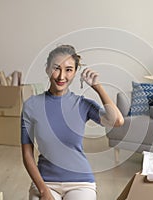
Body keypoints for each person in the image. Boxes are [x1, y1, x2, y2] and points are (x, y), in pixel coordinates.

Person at [21, 44, 124, 200]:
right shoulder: (31, 105)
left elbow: (117, 121)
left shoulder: (83, 105)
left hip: (80, 182)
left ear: (75, 72)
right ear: (47, 69)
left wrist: (97, 87)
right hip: (45, 182)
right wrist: (43, 192)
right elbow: (27, 154)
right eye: (56, 68)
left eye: (69, 70)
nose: (62, 76)